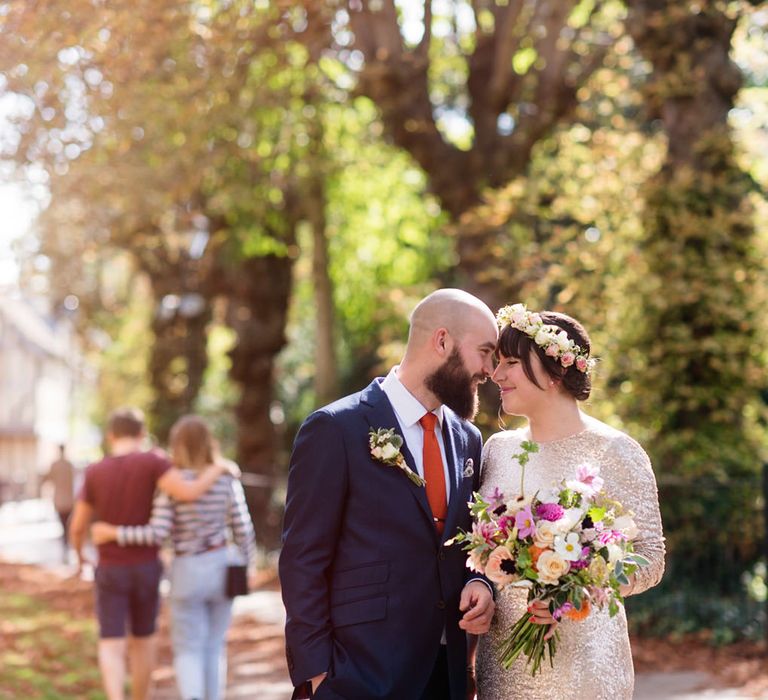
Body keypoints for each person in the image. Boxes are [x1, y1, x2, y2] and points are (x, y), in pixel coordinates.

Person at [280, 288, 499, 700]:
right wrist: (317, 676)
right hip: (359, 675)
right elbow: (302, 558)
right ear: (442, 341)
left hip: (446, 676)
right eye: (485, 351)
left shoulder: (468, 439)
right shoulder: (335, 428)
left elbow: (470, 544)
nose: (489, 369)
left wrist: (481, 583)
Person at [474, 305, 665, 699]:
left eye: (510, 362)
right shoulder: (497, 450)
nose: (497, 375)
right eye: (497, 362)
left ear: (555, 372)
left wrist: (574, 588)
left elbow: (651, 557)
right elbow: (481, 545)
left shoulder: (617, 452)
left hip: (587, 666)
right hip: (505, 663)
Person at [69, 408, 233, 700]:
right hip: (146, 567)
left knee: (111, 643)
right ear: (142, 434)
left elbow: (78, 526)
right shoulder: (154, 462)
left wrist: (81, 557)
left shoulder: (94, 471)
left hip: (109, 569)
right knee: (143, 641)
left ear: (110, 435)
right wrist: (220, 468)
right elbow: (188, 491)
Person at [43, 443, 75, 562]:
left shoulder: (55, 465)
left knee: (64, 524)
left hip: (60, 500)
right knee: (66, 524)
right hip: (69, 500)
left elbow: (48, 479)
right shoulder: (69, 465)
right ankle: (66, 543)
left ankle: (65, 544)